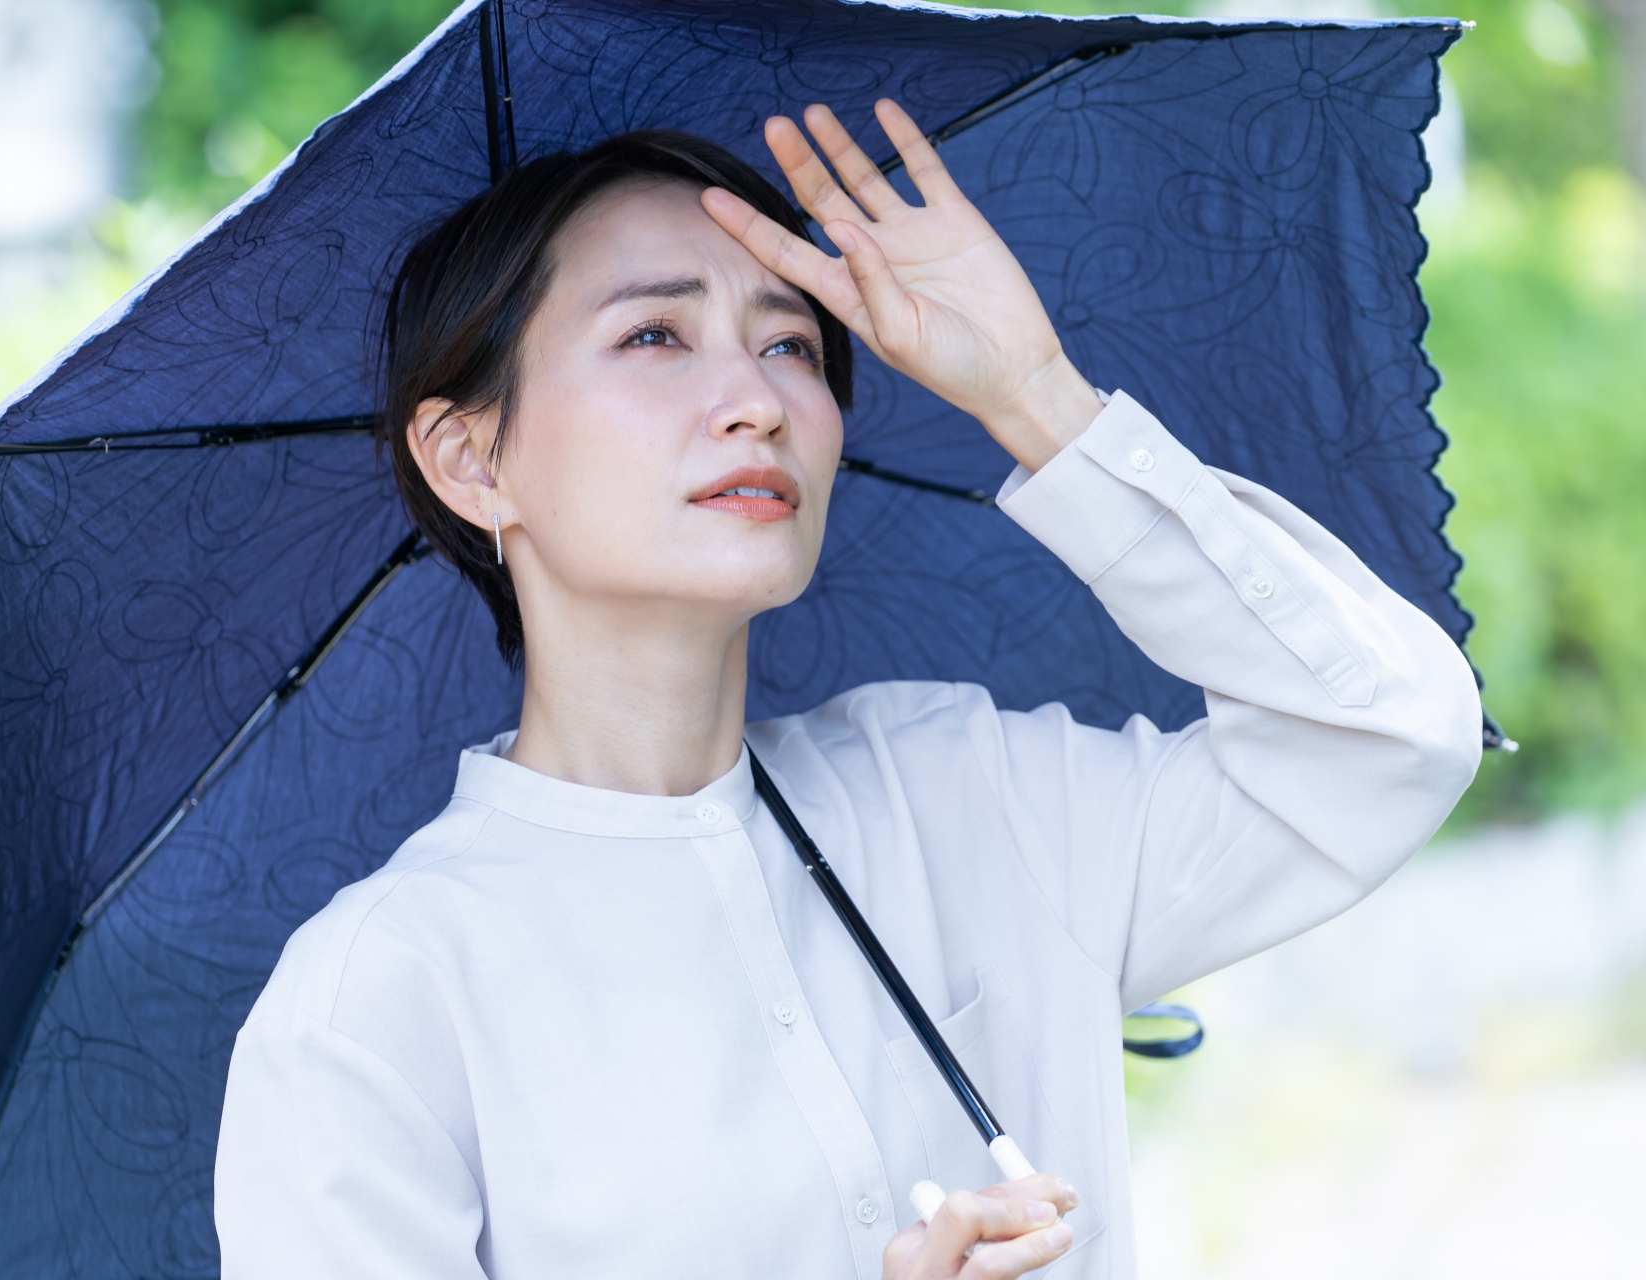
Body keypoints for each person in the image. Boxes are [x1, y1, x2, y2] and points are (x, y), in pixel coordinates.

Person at [212, 100, 1482, 1279]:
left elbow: (1389, 742)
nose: (756, 399)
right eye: (654, 334)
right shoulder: (375, 1004)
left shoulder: (968, 785)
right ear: (469, 457)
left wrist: (1042, 398)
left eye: (793, 343)